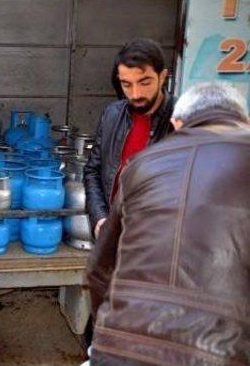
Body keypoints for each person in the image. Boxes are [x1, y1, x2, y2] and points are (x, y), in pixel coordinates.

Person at [86, 83, 250, 365]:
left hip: (121, 349)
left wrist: (109, 333)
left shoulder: (142, 164)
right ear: (243, 121)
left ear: (176, 123)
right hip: (219, 354)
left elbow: (98, 270)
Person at [84, 38, 176, 239]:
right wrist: (100, 219)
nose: (135, 94)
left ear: (162, 77)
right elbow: (92, 171)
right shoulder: (112, 115)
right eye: (126, 84)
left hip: (160, 244)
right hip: (114, 238)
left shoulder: (182, 120)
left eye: (144, 82)